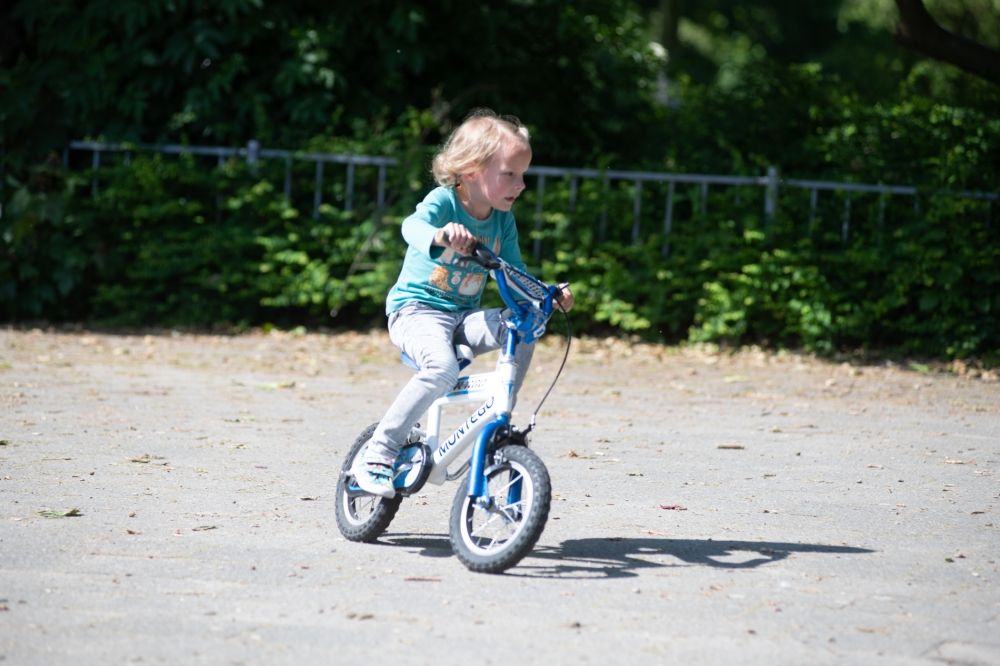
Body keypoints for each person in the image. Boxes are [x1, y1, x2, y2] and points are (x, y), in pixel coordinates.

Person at [352, 108, 574, 498]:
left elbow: (515, 272)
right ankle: (379, 452)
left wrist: (546, 294)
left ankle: (502, 420)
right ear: (472, 170)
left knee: (522, 323)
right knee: (441, 369)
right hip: (417, 311)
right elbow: (411, 226)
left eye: (523, 175)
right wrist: (440, 235)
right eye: (510, 174)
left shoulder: (503, 220)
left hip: (463, 317)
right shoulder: (444, 202)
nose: (520, 185)